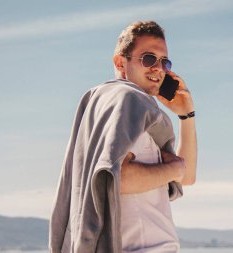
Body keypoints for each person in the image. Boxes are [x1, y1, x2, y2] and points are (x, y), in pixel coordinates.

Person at [49, 20, 197, 253]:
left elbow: (186, 177)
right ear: (120, 62)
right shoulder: (126, 99)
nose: (158, 68)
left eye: (165, 62)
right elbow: (118, 178)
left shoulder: (135, 111)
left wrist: (187, 115)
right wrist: (173, 169)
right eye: (149, 58)